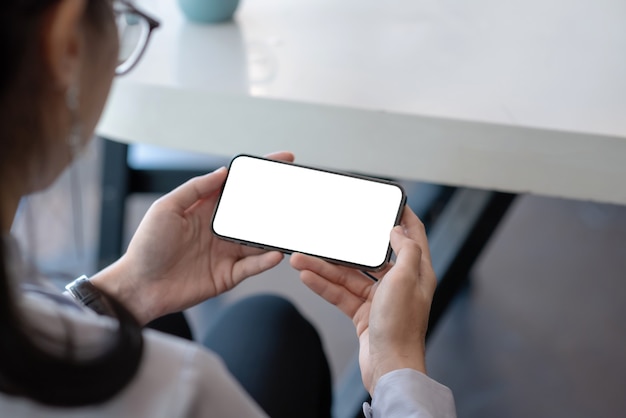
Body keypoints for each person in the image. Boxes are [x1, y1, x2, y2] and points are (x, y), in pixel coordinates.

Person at [0, 0, 456, 417]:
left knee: (238, 322)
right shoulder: (184, 392)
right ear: (66, 44)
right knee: (274, 329)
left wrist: (130, 287)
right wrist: (397, 366)